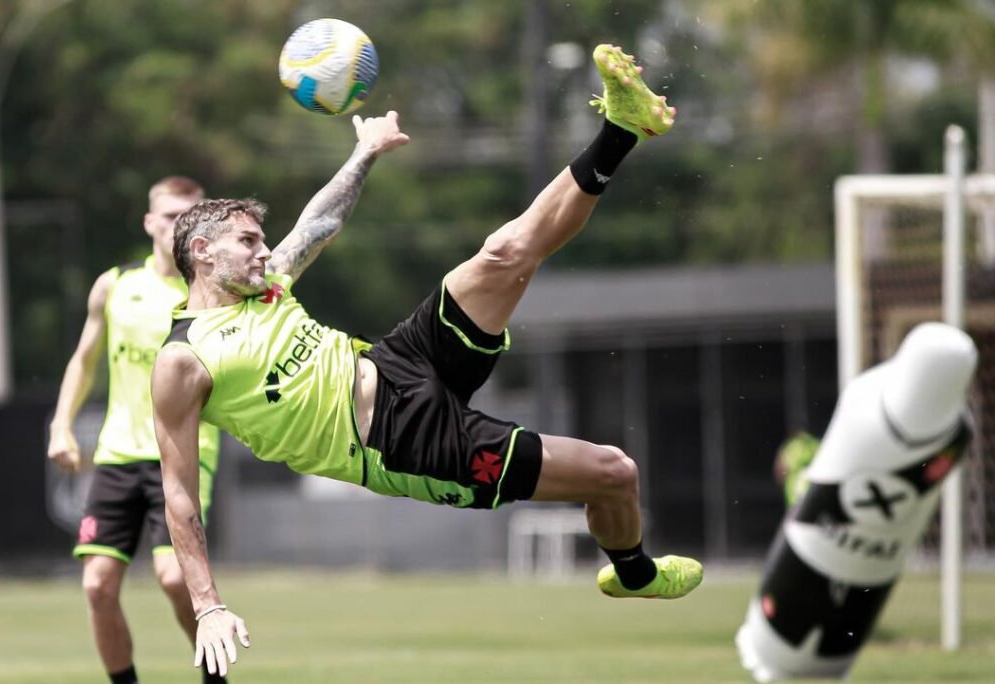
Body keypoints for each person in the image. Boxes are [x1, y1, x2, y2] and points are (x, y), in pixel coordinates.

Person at [153, 44, 704, 677]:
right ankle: (635, 573)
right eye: (248, 241)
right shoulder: (183, 359)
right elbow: (179, 494)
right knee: (613, 472)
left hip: (399, 362)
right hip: (404, 442)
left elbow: (319, 222)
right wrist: (207, 606)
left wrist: (365, 152)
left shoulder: (267, 282)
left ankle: (622, 127)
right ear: (203, 252)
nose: (263, 251)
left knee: (503, 253)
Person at [47, 176, 225, 684]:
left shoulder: (211, 294)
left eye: (190, 216)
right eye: (170, 215)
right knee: (97, 585)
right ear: (150, 222)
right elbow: (84, 361)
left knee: (173, 578)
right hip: (118, 454)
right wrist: (61, 426)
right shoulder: (115, 285)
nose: (178, 225)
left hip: (184, 454)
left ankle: (215, 679)